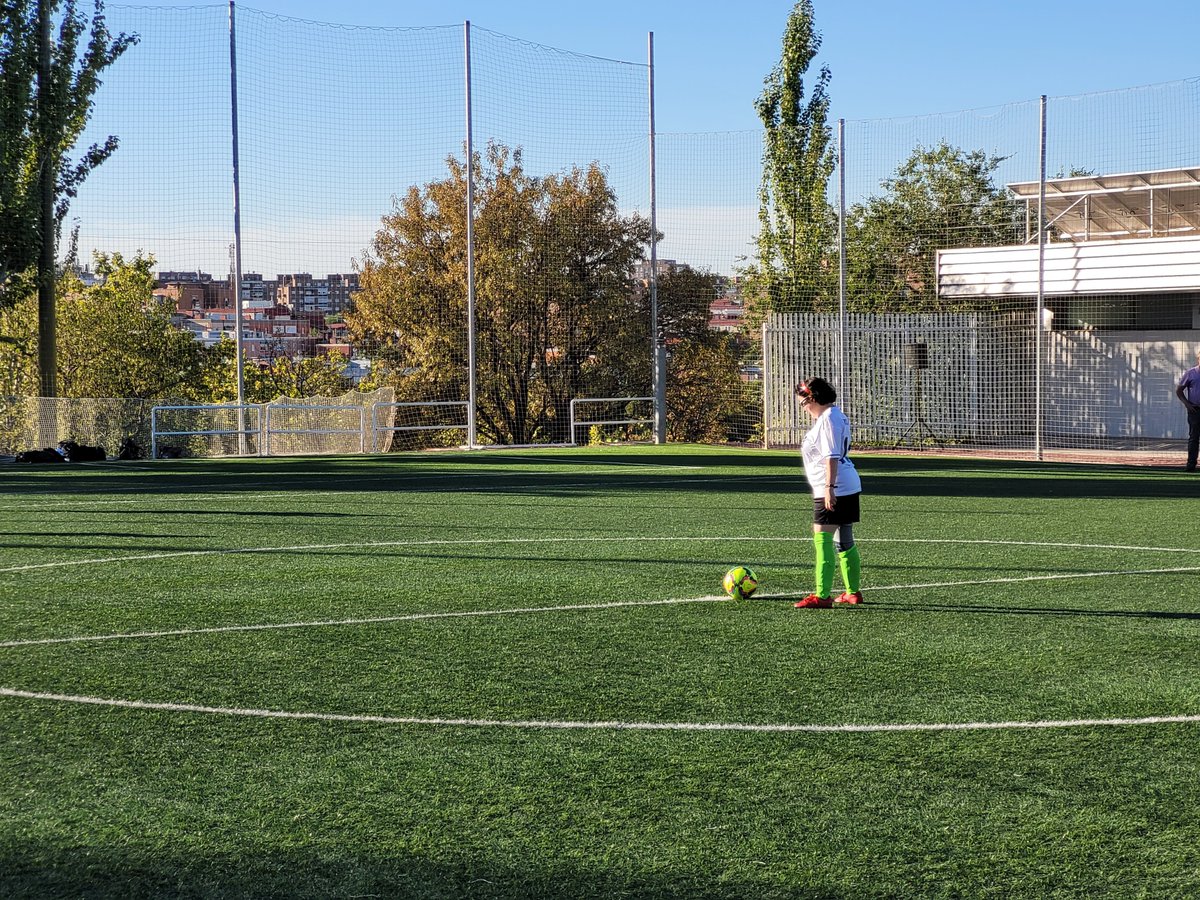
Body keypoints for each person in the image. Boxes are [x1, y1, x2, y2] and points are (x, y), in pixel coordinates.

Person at [793, 377, 864, 609]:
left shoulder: (828, 418)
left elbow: (831, 456)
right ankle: (852, 592)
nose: (803, 408)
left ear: (812, 398)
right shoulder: (835, 415)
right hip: (846, 484)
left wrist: (829, 489)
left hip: (836, 487)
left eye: (803, 402)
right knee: (844, 541)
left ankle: (822, 596)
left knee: (822, 539)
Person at [1177, 349, 1200, 472]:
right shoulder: (1190, 373)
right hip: (1195, 411)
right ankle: (1191, 464)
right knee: (1194, 437)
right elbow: (1179, 390)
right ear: (1198, 358)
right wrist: (1187, 404)